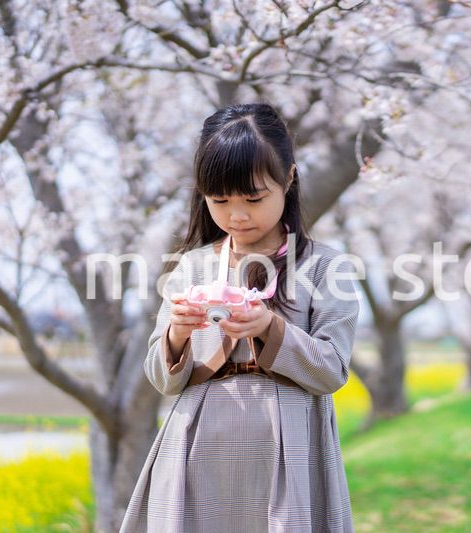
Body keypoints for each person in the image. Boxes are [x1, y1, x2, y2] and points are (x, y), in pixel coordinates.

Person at [119, 103, 360, 533]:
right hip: (198, 439)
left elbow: (332, 371)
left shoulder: (326, 267)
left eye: (253, 198)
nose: (237, 215)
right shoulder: (191, 267)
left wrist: (270, 327)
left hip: (288, 442)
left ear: (288, 178)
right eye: (219, 200)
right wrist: (177, 333)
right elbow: (161, 376)